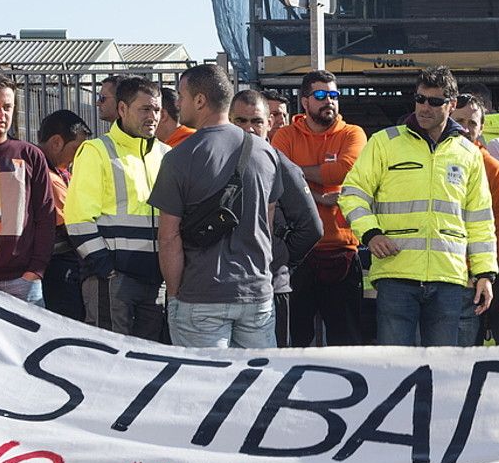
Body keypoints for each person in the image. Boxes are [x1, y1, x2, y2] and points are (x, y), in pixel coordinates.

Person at [338, 66, 496, 346]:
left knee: (441, 370)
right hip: (396, 274)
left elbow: (480, 220)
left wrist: (484, 274)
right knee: (396, 367)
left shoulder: (469, 154)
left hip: (448, 277)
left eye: (434, 102)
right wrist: (371, 234)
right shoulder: (385, 143)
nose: (424, 107)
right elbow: (352, 192)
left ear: (452, 104)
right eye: (420, 99)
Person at [151, 65, 292, 349]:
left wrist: (176, 295)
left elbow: (168, 238)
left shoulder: (179, 157)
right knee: (257, 385)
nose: (178, 104)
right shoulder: (266, 152)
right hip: (256, 293)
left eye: (182, 96)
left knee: (205, 389)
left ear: (200, 101)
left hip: (201, 295)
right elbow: (268, 218)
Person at [269, 70, 367, 347]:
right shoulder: (286, 135)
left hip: (342, 253)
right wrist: (317, 195)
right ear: (305, 102)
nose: (330, 101)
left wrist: (297, 176)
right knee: (294, 342)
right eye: (321, 95)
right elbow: (278, 179)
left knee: (346, 343)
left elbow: (343, 170)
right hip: (298, 255)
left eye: (334, 95)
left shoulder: (353, 133)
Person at [66, 77, 169, 340]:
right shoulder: (96, 151)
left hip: (156, 281)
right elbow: (78, 217)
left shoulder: (165, 154)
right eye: (145, 109)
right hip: (113, 279)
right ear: (122, 109)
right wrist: (103, 266)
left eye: (157, 109)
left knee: (148, 358)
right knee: (110, 358)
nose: (153, 116)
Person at [229, 90, 322, 346]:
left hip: (271, 288)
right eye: (241, 121)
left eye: (256, 121)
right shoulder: (218, 160)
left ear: (269, 124)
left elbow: (311, 228)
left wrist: (279, 257)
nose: (249, 129)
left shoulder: (281, 165)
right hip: (224, 291)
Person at [0, 73, 55, 306]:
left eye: (7, 106)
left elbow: (46, 215)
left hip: (23, 281)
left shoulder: (30, 155)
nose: (1, 114)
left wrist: (36, 270)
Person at [450, 95, 499, 345]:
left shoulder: (492, 168)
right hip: (433, 279)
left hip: (469, 282)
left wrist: (485, 275)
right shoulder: (430, 159)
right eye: (459, 121)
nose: (465, 128)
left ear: (482, 128)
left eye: (472, 123)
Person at [36, 110, 93, 320]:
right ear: (57, 142)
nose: (78, 157)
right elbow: (72, 224)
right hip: (58, 267)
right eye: (76, 150)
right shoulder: (50, 178)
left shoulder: (51, 170)